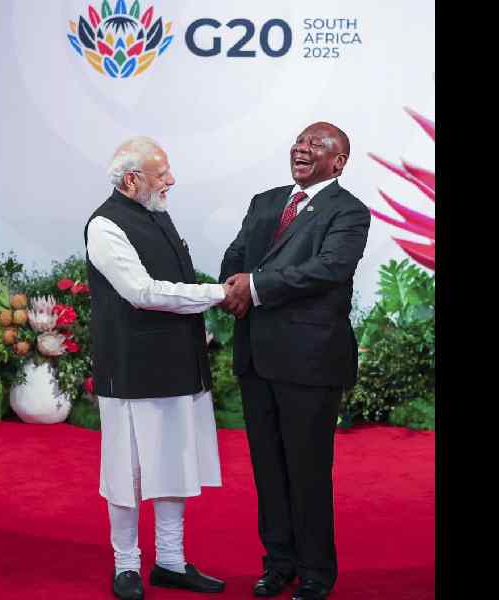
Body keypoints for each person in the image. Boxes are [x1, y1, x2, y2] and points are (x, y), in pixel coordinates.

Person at [218, 122, 371, 600]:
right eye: (299, 142)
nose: (301, 149)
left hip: (310, 363)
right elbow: (235, 256)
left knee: (307, 472)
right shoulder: (265, 202)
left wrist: (256, 288)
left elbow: (328, 269)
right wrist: (233, 285)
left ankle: (316, 573)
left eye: (315, 145)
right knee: (268, 470)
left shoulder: (349, 211)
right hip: (256, 358)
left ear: (338, 162)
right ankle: (278, 564)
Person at [84, 136, 230, 600]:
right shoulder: (105, 225)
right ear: (132, 179)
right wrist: (219, 294)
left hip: (177, 363)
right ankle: (126, 565)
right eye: (161, 173)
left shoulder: (156, 212)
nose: (171, 180)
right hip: (131, 370)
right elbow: (141, 292)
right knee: (125, 473)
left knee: (173, 463)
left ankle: (170, 561)